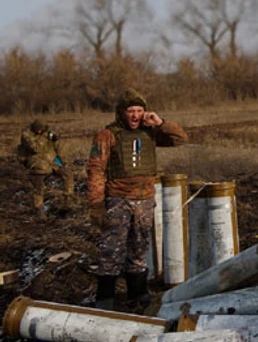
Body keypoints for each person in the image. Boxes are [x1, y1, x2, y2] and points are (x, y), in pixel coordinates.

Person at [87, 89, 187, 310]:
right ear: (121, 112)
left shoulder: (150, 133)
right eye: (130, 111)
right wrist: (96, 204)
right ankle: (105, 299)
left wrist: (160, 123)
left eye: (139, 111)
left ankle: (139, 295)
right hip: (117, 201)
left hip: (144, 200)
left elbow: (180, 138)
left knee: (139, 248)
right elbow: (95, 169)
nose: (134, 115)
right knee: (111, 250)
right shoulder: (107, 135)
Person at [18, 119, 73, 219]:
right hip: (36, 163)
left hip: (52, 161)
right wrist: (46, 137)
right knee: (38, 188)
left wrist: (64, 161)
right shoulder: (26, 135)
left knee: (68, 175)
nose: (39, 131)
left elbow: (58, 148)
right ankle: (39, 209)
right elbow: (35, 148)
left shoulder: (49, 133)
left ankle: (67, 200)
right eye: (37, 129)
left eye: (41, 129)